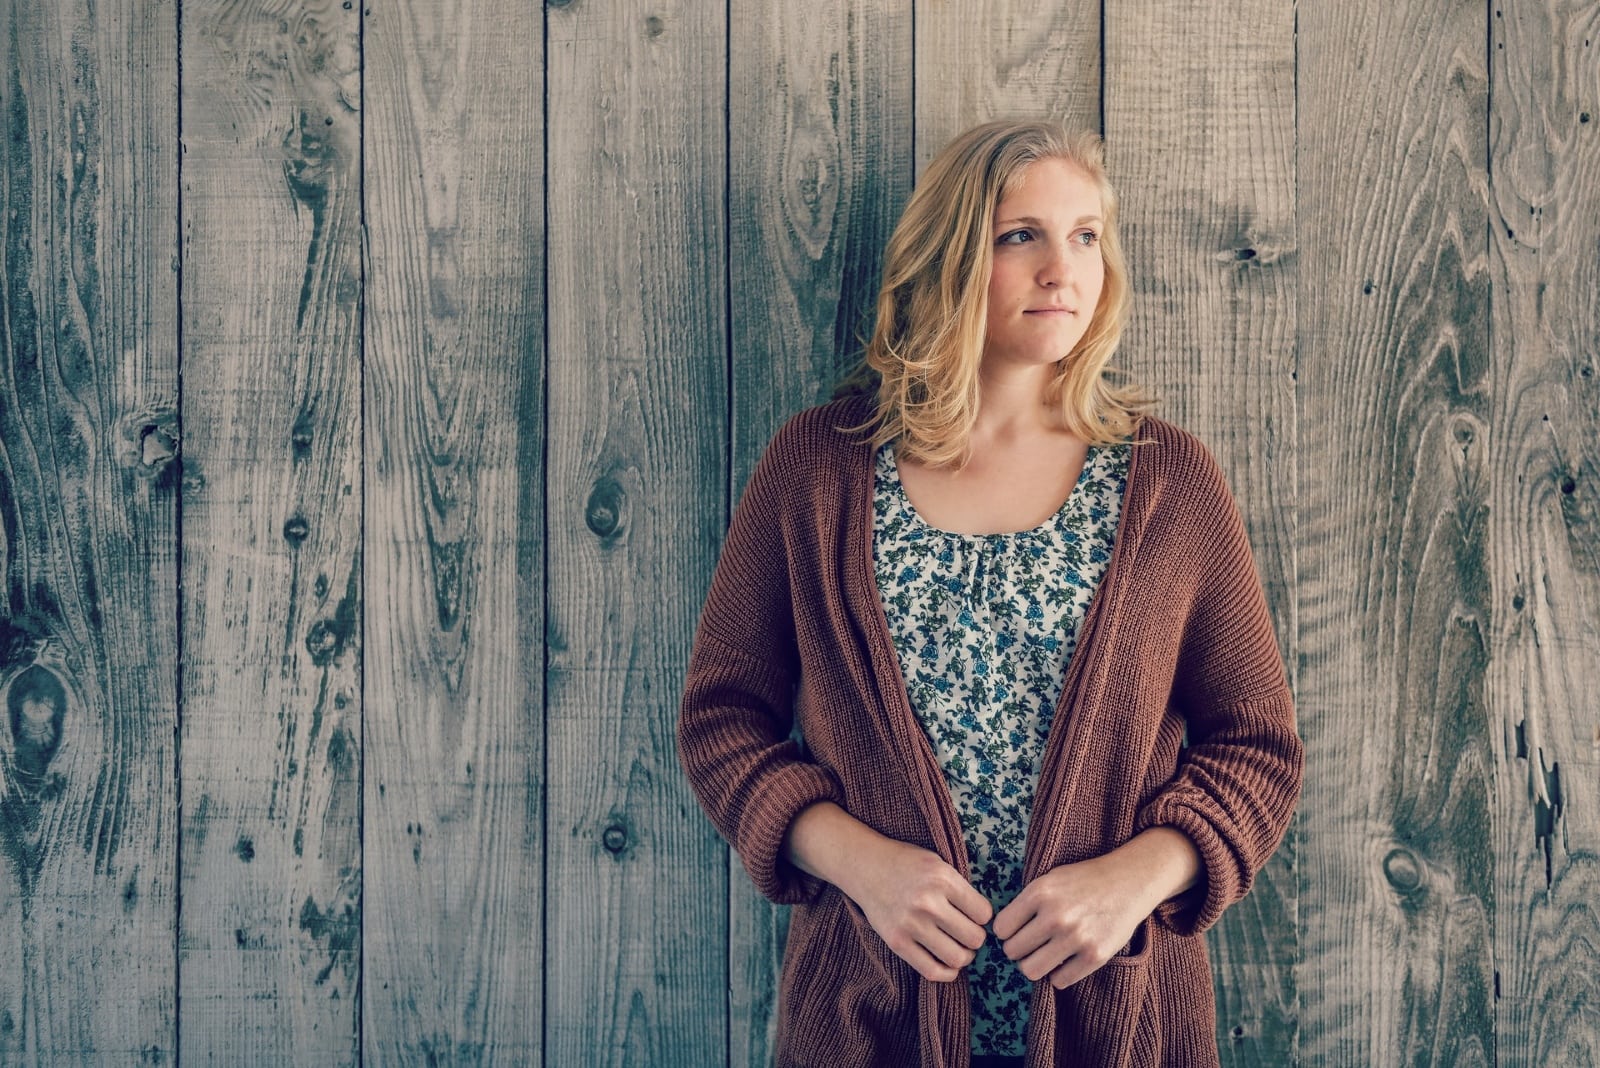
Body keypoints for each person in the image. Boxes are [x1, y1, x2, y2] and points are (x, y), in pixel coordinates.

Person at [676, 119, 1303, 1068]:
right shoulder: (819, 471)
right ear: (948, 254)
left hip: (1120, 1017)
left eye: (1086, 235)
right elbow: (722, 722)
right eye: (1023, 236)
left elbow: (1258, 747)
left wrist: (1135, 879)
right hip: (869, 1016)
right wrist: (865, 867)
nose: (1065, 269)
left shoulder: (1168, 484)